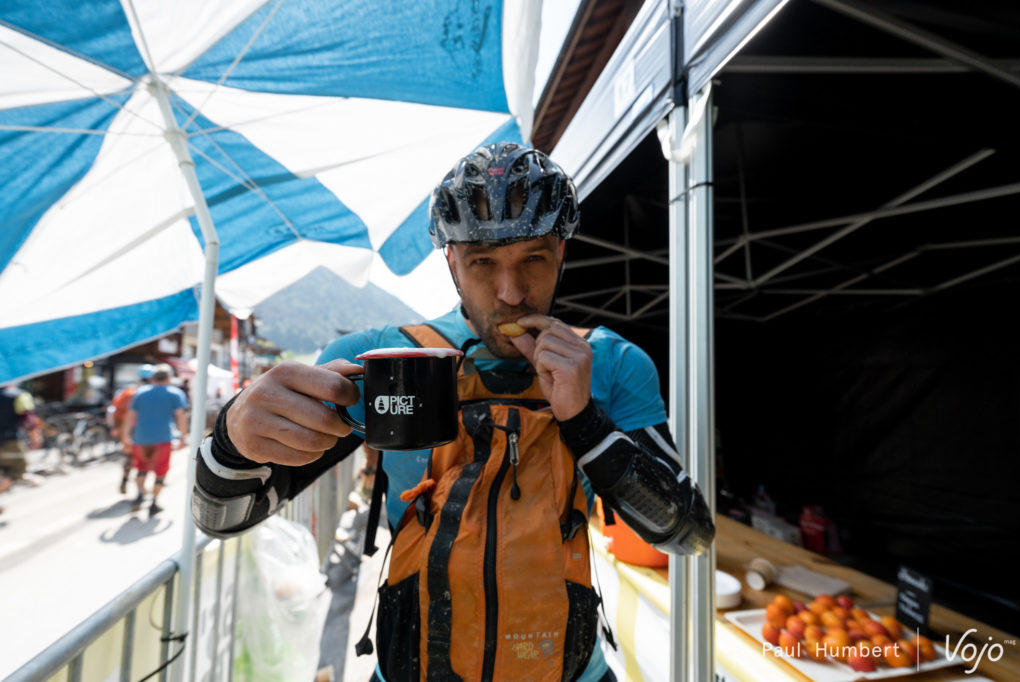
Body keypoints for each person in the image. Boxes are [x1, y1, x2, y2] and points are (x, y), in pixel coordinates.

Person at [192, 143, 715, 680]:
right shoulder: (384, 361)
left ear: (561, 253)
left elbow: (689, 535)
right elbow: (222, 519)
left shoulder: (611, 363)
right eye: (482, 262)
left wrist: (584, 420)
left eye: (533, 258)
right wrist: (232, 440)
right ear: (452, 264)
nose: (511, 293)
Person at [123, 364, 188, 517]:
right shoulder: (175, 393)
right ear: (168, 377)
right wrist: (183, 437)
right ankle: (153, 502)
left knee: (141, 468)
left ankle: (140, 494)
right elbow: (180, 416)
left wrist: (126, 436)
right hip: (163, 438)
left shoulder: (140, 392)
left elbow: (130, 415)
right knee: (161, 471)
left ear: (153, 377)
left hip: (141, 437)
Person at [109, 364, 154, 494]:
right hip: (144, 430)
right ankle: (140, 489)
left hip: (127, 430)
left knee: (129, 457)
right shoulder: (150, 393)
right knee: (143, 459)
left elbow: (115, 411)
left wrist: (117, 428)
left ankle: (125, 480)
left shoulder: (129, 392)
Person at [1, 383, 43, 496]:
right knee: (16, 471)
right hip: (9, 442)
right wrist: (35, 437)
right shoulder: (18, 395)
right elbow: (28, 420)